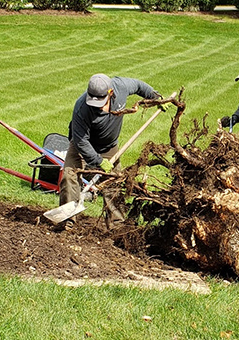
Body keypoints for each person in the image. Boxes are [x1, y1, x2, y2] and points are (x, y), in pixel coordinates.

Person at [59, 73, 163, 230]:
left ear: (110, 93)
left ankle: (116, 225)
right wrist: (98, 161)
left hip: (109, 146)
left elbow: (139, 85)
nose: (96, 105)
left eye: (100, 101)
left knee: (113, 183)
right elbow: (81, 141)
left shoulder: (120, 86)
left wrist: (156, 98)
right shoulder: (82, 107)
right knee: (69, 176)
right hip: (82, 145)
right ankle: (67, 221)